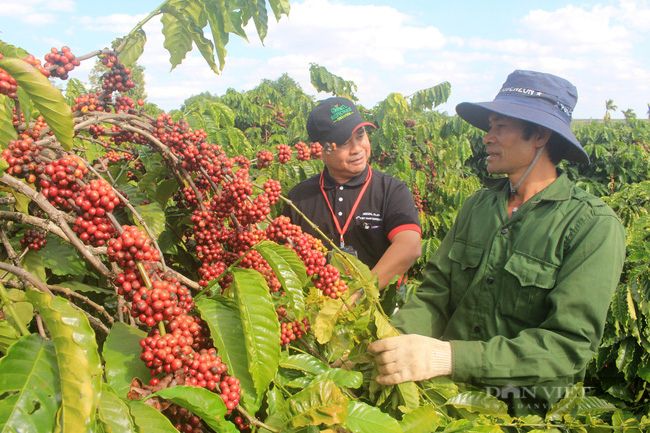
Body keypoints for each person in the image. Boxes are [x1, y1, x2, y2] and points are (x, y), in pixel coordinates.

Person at [368, 70, 626, 414]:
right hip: (445, 397)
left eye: (500, 127)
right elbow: (435, 294)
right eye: (489, 127)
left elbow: (567, 346)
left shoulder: (591, 226)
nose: (487, 137)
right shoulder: (478, 206)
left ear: (540, 136)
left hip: (524, 413)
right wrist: (393, 341)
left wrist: (449, 356)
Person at [283, 97, 422, 289]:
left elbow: (410, 246)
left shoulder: (391, 190)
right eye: (343, 143)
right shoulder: (299, 197)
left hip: (378, 309)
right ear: (320, 150)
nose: (357, 149)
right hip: (315, 311)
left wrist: (361, 293)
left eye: (360, 135)